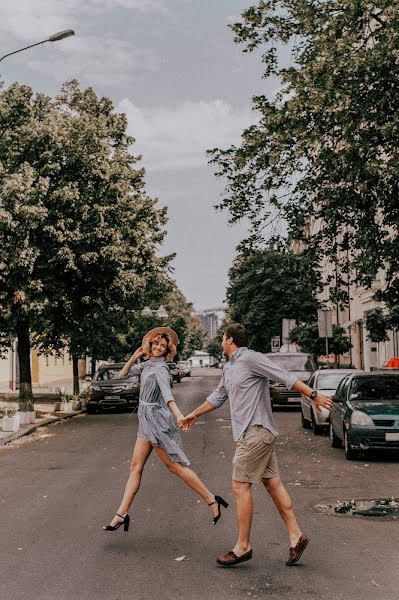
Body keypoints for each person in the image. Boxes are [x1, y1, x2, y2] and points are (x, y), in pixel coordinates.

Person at [180, 323, 333, 567]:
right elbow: (218, 396)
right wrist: (194, 414)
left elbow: (285, 377)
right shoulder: (228, 367)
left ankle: (243, 546)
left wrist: (313, 395)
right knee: (273, 483)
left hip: (257, 432)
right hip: (249, 434)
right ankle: (296, 536)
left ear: (229, 339)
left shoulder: (252, 359)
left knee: (240, 486)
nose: (221, 341)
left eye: (222, 338)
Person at [103, 326, 228, 533]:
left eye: (163, 346)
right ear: (150, 344)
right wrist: (134, 357)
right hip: (145, 420)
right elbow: (123, 374)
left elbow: (167, 395)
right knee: (135, 466)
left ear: (167, 349)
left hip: (157, 421)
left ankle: (211, 500)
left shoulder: (161, 368)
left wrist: (179, 415)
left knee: (175, 467)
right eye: (156, 344)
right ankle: (121, 514)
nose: (159, 348)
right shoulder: (146, 365)